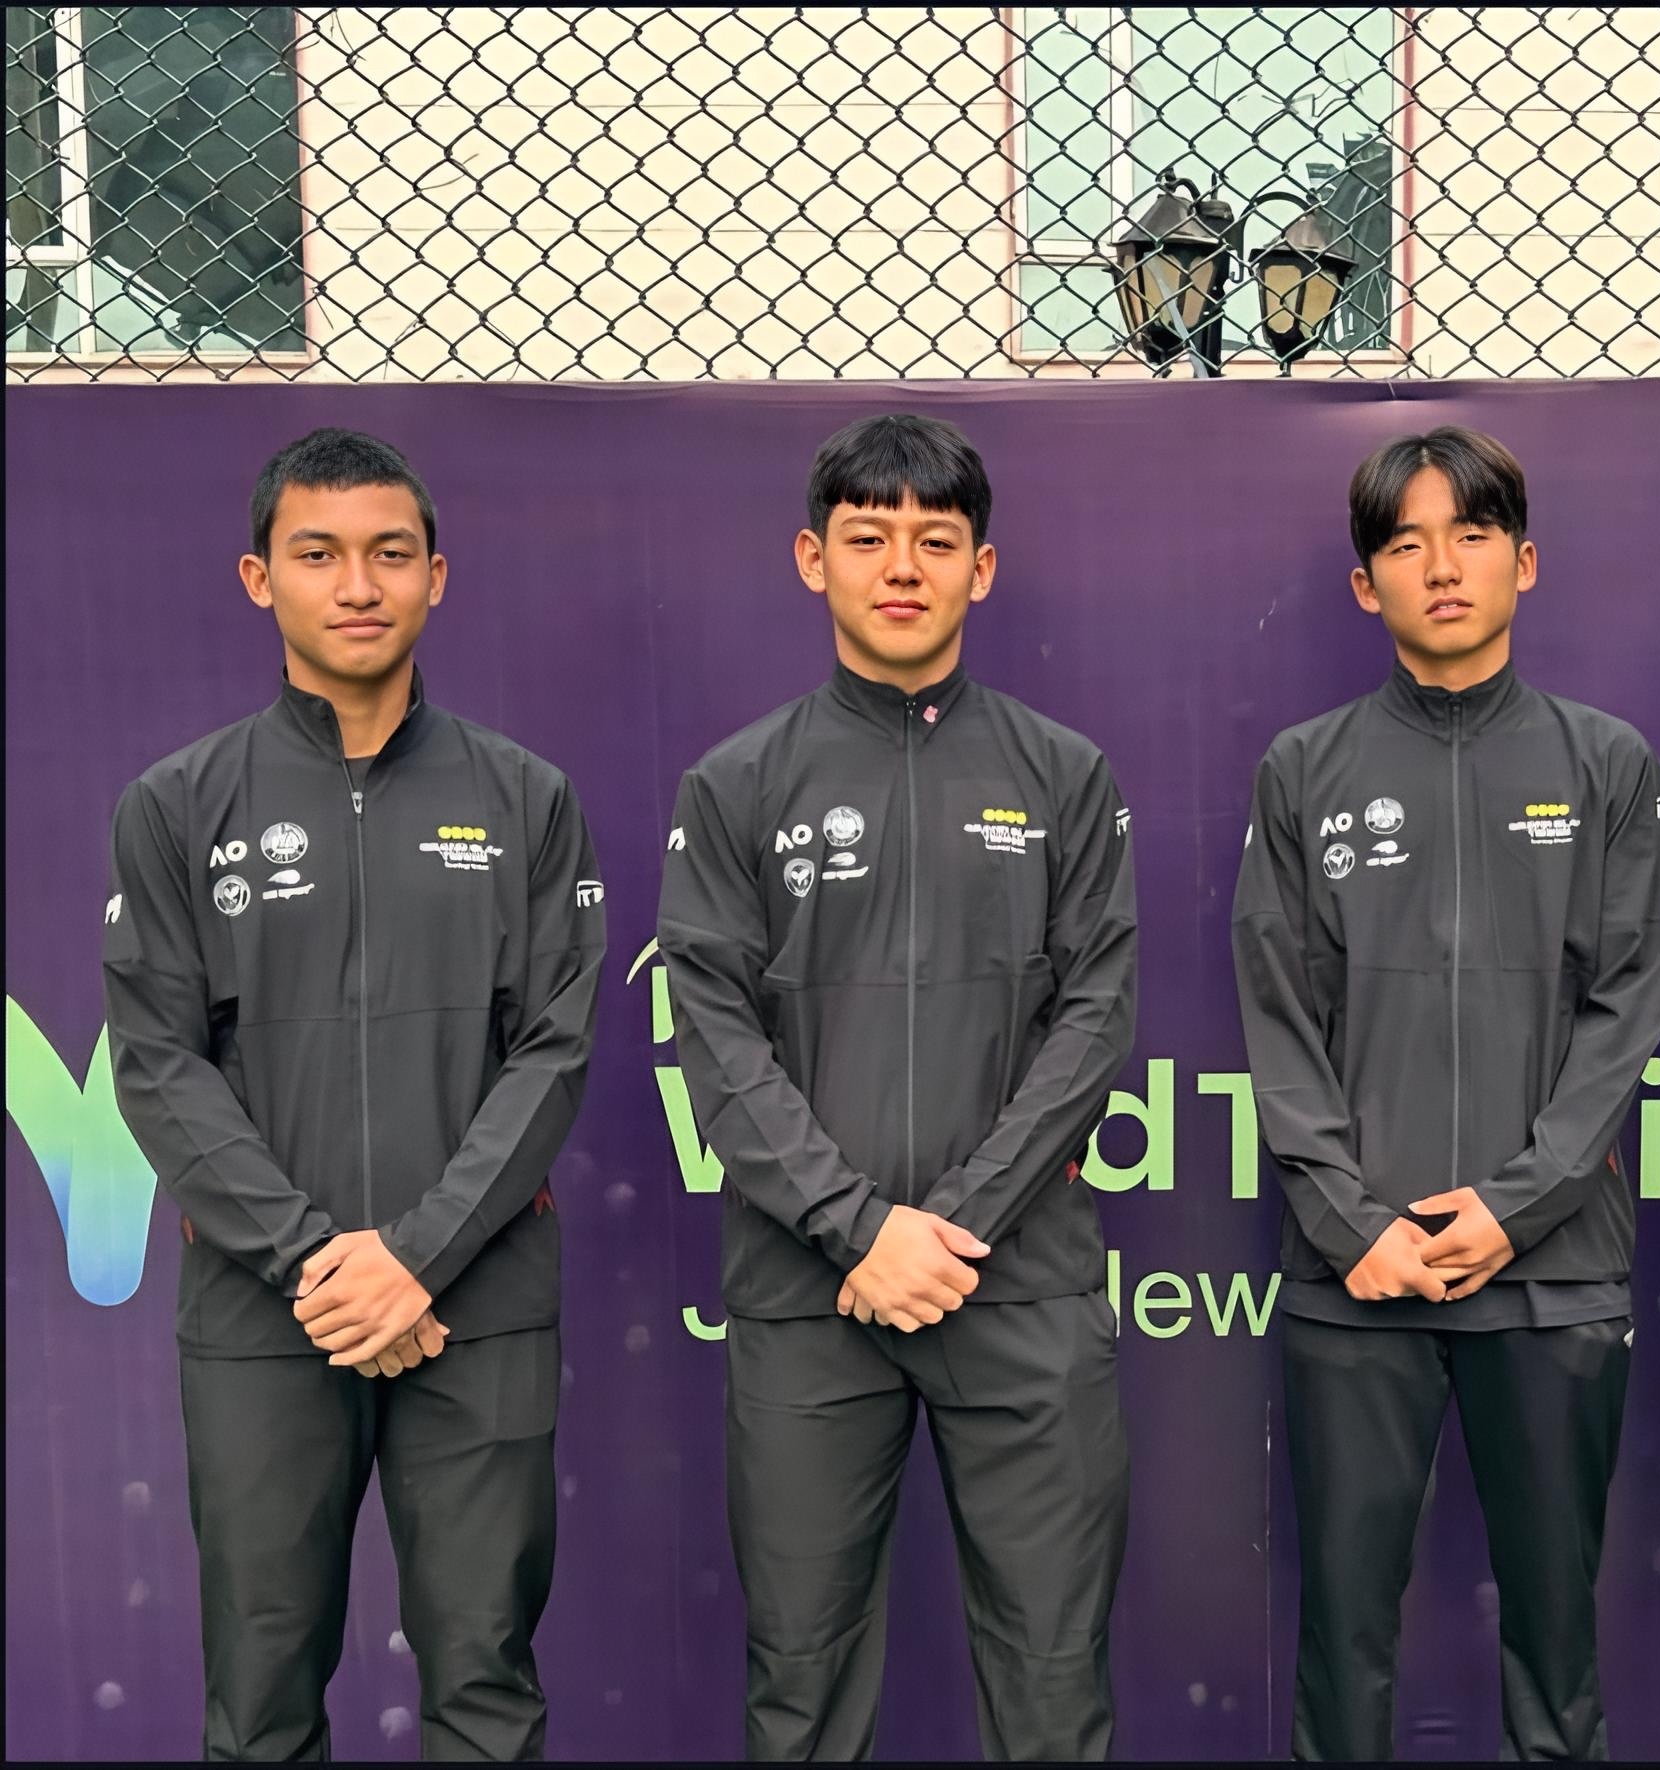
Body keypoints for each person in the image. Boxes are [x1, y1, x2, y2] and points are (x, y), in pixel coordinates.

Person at [102, 427, 606, 1759]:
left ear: (437, 575)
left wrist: (418, 1257)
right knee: (261, 1694)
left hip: (476, 1304)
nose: (358, 585)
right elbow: (159, 1060)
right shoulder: (176, 804)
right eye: (318, 554)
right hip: (267, 1307)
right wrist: (321, 1262)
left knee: (486, 1685)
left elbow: (552, 1050)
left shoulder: (525, 797)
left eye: (390, 554)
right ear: (259, 578)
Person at [655, 413, 1138, 1761]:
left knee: (1053, 1679)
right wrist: (859, 1229)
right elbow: (715, 1035)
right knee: (801, 1685)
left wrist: (953, 1225)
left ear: (983, 568)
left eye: (936, 540)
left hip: (1022, 1288)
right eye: (868, 539)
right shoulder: (737, 783)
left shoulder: (1064, 775)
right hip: (810, 1294)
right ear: (812, 559)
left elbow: (1095, 1019)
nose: (903, 567)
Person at [1232, 425, 1660, 1759]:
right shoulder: (1302, 770)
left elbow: (1627, 1007)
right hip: (1355, 1278)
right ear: (1364, 582)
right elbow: (1277, 1015)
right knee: (1342, 1645)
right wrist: (1350, 1221)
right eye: (1406, 543)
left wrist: (1513, 1205)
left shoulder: (1607, 764)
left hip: (1551, 1277)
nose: (1441, 567)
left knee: (1556, 1648)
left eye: (1472, 535)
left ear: (1523, 562)